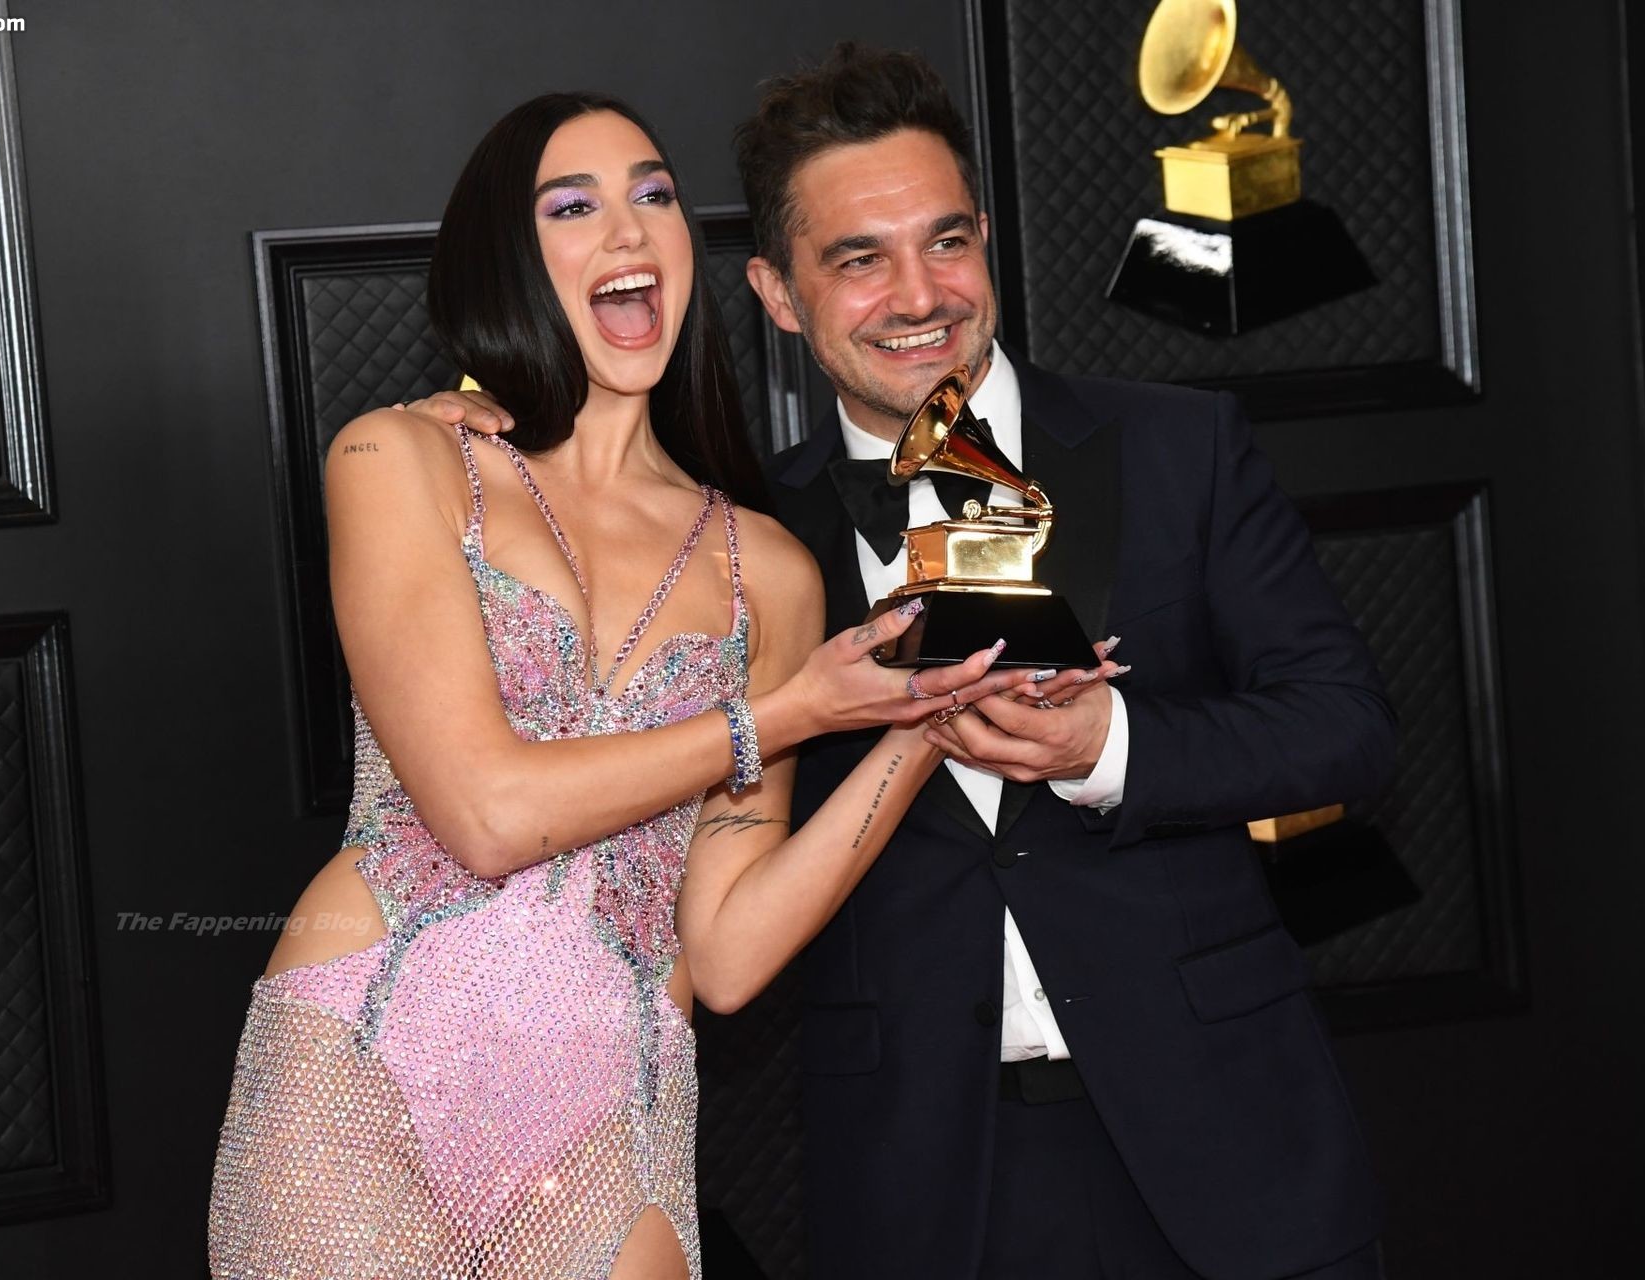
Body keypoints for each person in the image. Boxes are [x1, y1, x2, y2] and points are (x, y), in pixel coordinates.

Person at [412, 45, 1398, 1280]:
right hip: (923, 1181)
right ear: (778, 294)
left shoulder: (1179, 446)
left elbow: (1348, 727)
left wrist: (1108, 748)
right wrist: (464, 435)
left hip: (1232, 1148)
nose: (919, 294)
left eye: (947, 242)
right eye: (858, 260)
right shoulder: (736, 542)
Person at [204, 91, 1080, 1280]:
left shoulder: (767, 570)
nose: (627, 228)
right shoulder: (398, 457)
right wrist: (786, 715)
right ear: (509, 259)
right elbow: (487, 814)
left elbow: (727, 953)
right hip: (360, 1059)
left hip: (612, 1112)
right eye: (573, 207)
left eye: (655, 195)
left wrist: (920, 723)